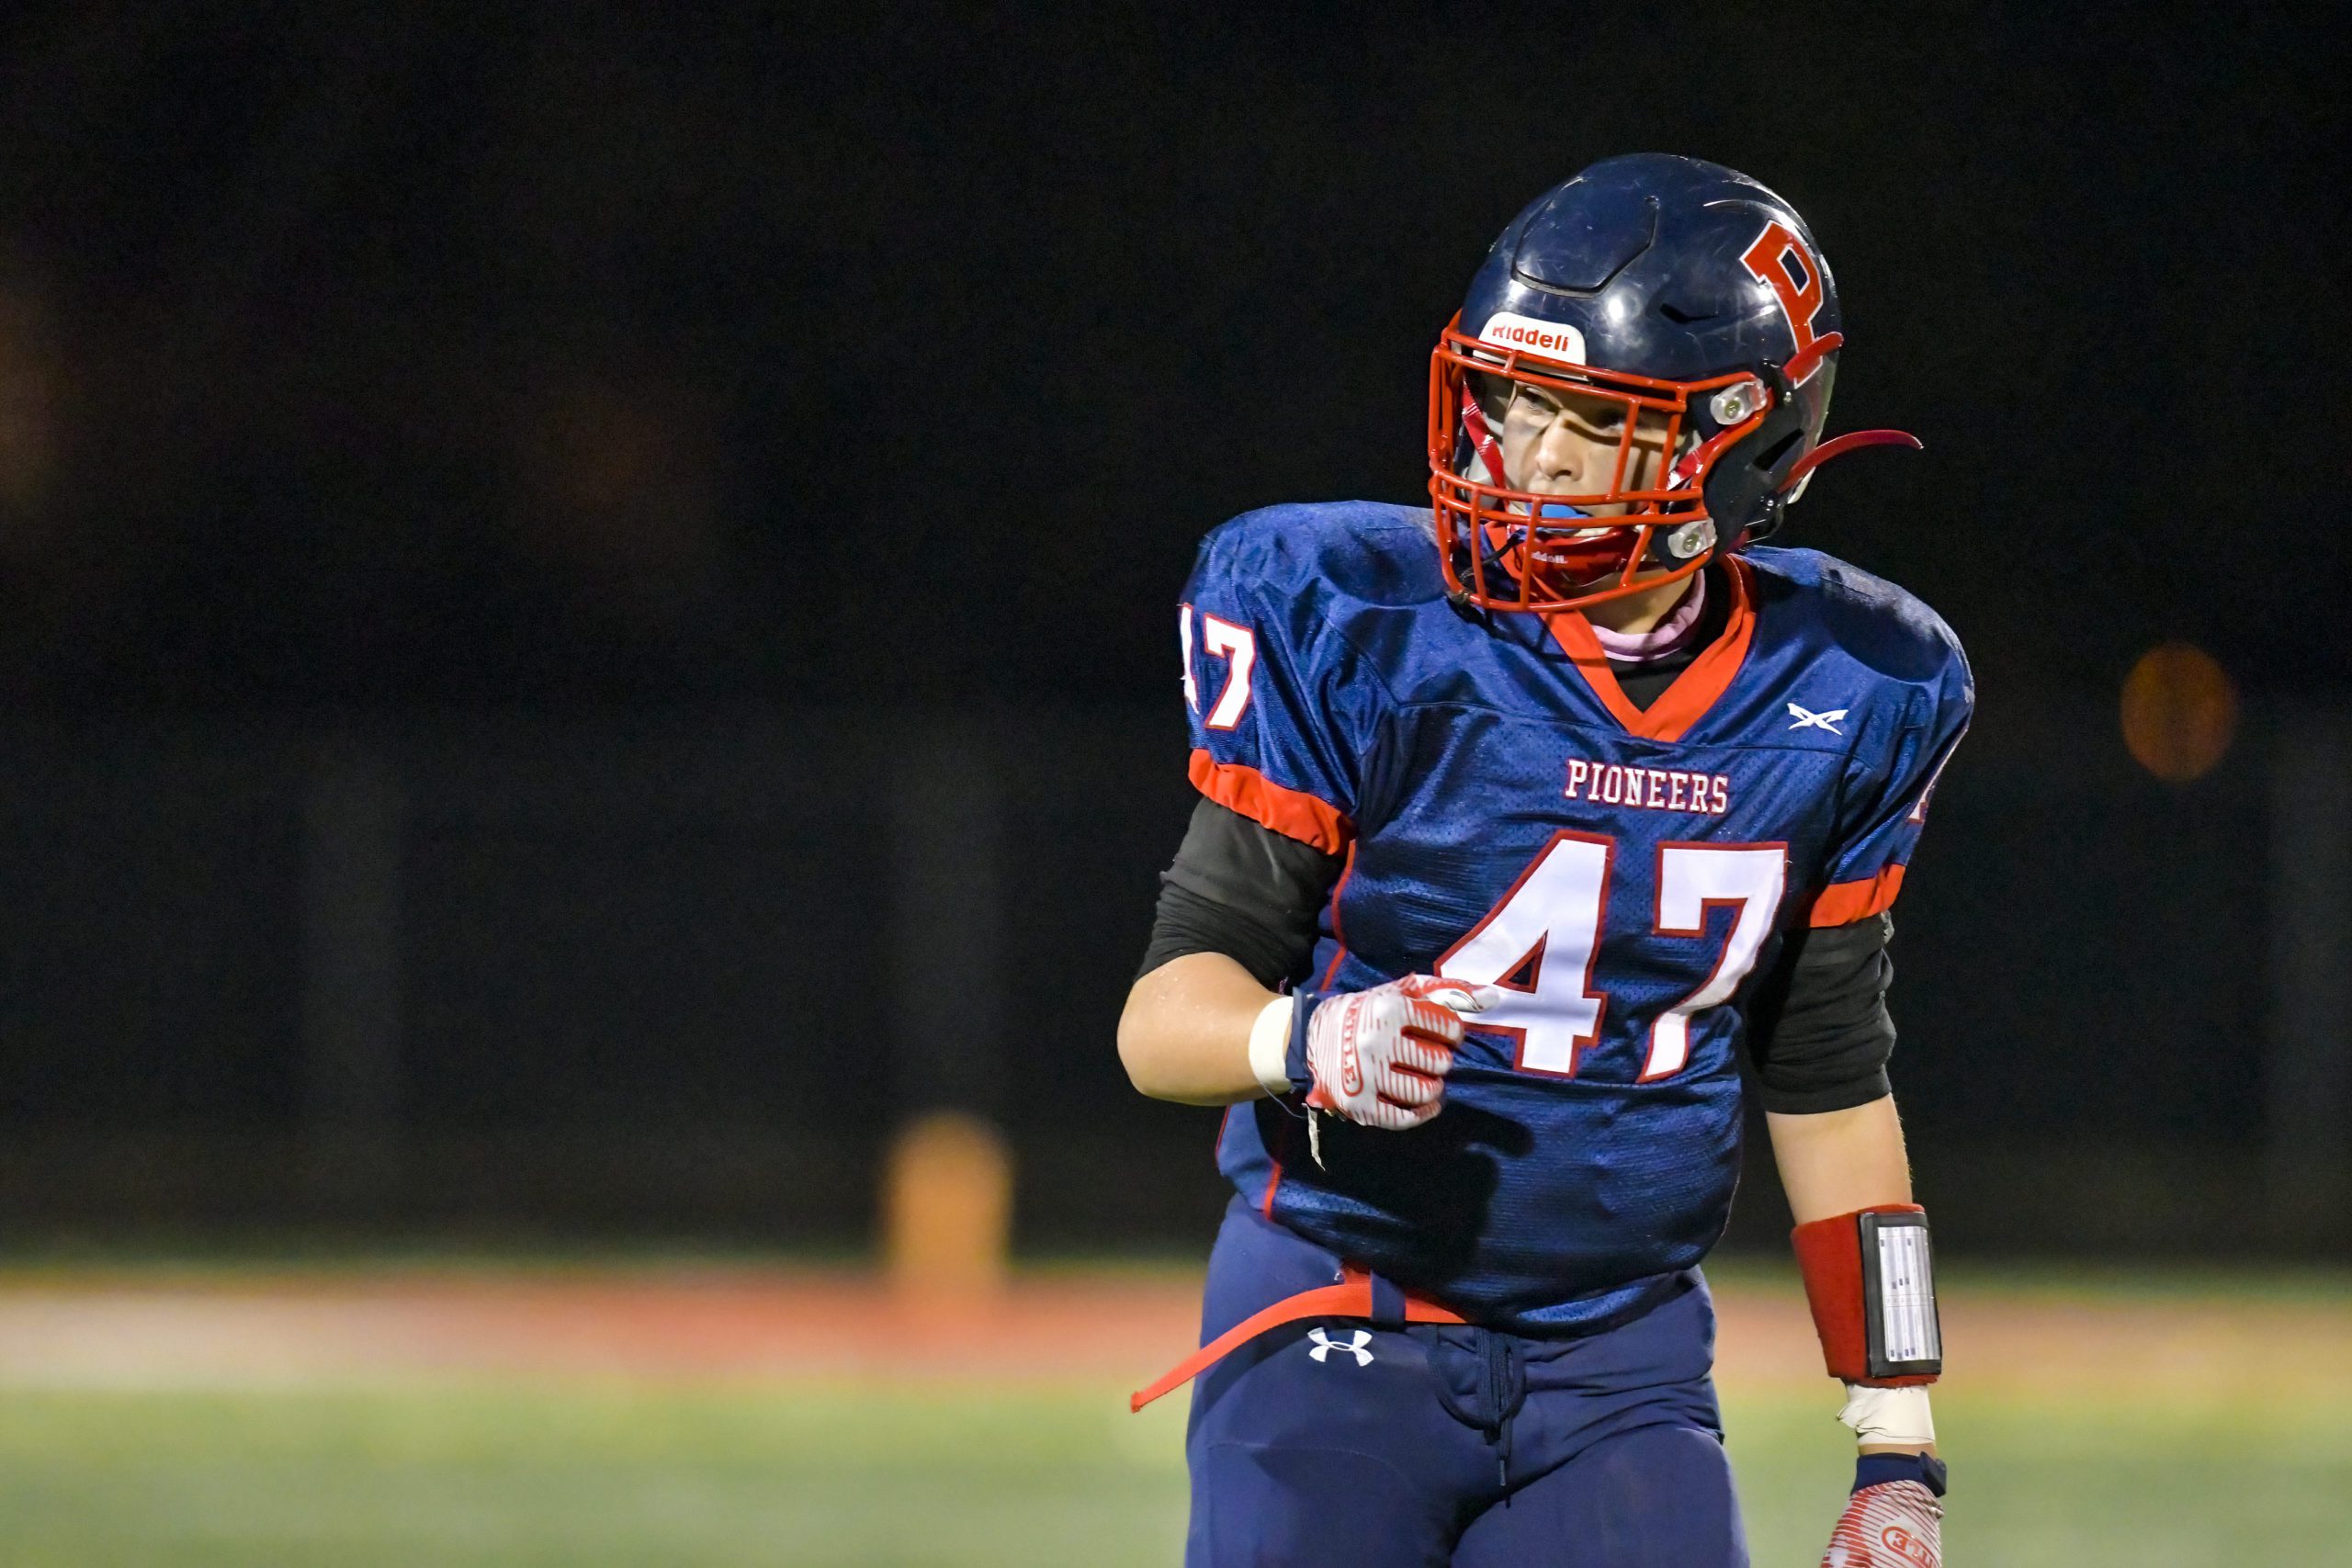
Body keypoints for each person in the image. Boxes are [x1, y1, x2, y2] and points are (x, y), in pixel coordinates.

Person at [1119, 153, 1967, 1568]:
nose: (1532, 455)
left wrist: (1900, 1447)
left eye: (1593, 416)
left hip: (1617, 1368)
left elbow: (1827, 1076)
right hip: (1332, 1320)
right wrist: (1309, 1038)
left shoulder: (1854, 689)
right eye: (1514, 402)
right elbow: (1162, 1023)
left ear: (1743, 442)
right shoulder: (1361, 622)